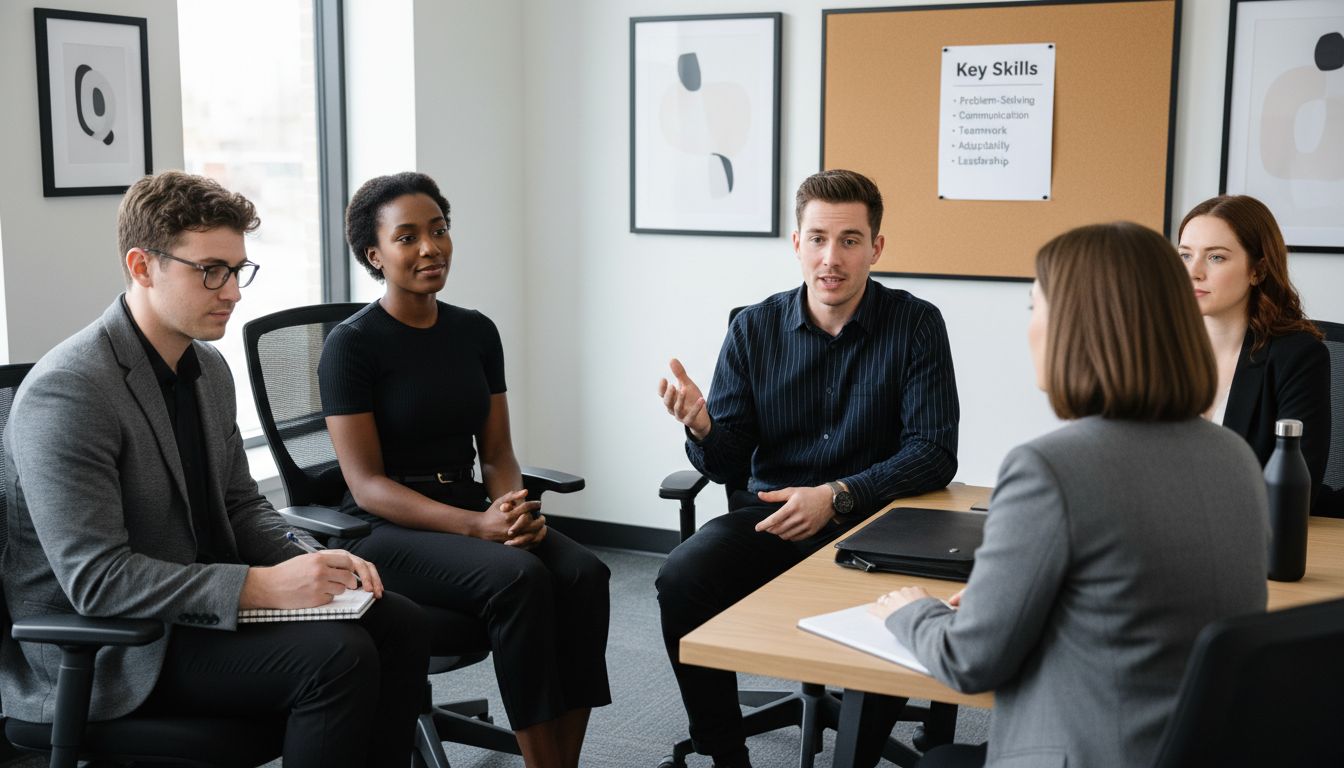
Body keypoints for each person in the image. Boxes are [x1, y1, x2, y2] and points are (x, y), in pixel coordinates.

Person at [0, 171, 429, 767]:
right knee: (338, 657)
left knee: (398, 622)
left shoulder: (207, 368)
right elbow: (97, 581)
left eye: (238, 269)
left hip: (200, 608)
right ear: (142, 266)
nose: (232, 292)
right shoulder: (69, 391)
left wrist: (310, 562)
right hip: (119, 650)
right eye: (210, 271)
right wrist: (263, 586)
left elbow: (240, 505)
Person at [870, 222, 1269, 768]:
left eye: (1035, 307)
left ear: (1078, 327)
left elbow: (968, 662)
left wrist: (911, 611)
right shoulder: (1235, 457)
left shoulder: (1050, 468)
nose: (1030, 327)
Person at [656, 168, 960, 768]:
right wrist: (702, 427)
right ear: (796, 243)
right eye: (818, 238)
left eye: (850, 240)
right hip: (771, 521)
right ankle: (725, 755)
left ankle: (857, 759)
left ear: (876, 247)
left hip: (876, 524)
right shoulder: (754, 329)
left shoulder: (916, 324)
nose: (832, 258)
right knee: (680, 578)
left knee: (897, 609)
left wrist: (838, 494)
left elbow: (934, 451)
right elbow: (726, 463)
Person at [319, 171, 610, 768]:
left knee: (584, 573)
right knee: (518, 577)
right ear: (374, 254)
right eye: (407, 237)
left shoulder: (476, 331)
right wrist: (478, 527)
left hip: (473, 508)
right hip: (387, 527)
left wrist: (514, 511)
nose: (430, 248)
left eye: (439, 230)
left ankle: (562, 762)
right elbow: (366, 485)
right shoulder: (351, 346)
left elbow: (499, 454)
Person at [1177, 195, 1331, 513]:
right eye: (1185, 256)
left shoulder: (1298, 356)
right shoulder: (1161, 348)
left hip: (1251, 539)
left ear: (1257, 271)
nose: (1194, 272)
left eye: (1216, 258)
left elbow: (1294, 489)